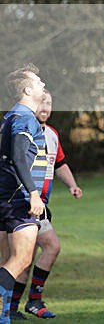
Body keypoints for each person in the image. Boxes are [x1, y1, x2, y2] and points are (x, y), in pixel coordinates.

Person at [1, 89, 83, 321]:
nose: (45, 108)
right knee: (31, 254)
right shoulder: (21, 126)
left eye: (50, 103)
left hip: (38, 205)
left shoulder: (52, 135)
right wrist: (31, 194)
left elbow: (60, 163)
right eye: (42, 102)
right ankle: (24, 304)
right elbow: (15, 161)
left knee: (22, 259)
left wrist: (72, 185)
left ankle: (14, 308)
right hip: (22, 202)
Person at [0, 65, 47, 324]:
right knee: (20, 260)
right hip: (18, 199)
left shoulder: (12, 116)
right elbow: (18, 157)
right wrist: (33, 193)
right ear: (27, 90)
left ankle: (3, 317)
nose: (43, 84)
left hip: (7, 196)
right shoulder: (24, 118)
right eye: (38, 81)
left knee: (10, 260)